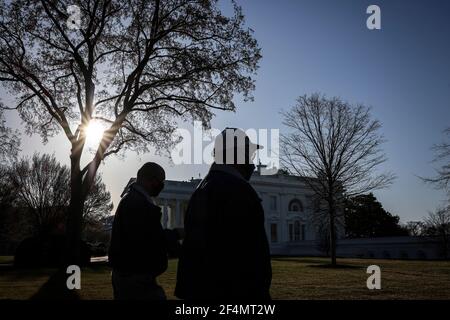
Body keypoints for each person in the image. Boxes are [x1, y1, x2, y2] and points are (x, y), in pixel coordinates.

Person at [175, 128, 272, 300]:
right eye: (249, 155)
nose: (252, 163)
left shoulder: (202, 189)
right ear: (235, 154)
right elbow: (249, 255)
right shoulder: (239, 190)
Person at [108, 162, 168, 300]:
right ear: (150, 180)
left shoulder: (134, 200)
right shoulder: (136, 203)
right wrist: (175, 235)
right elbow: (147, 240)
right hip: (135, 277)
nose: (162, 185)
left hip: (132, 275)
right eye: (160, 181)